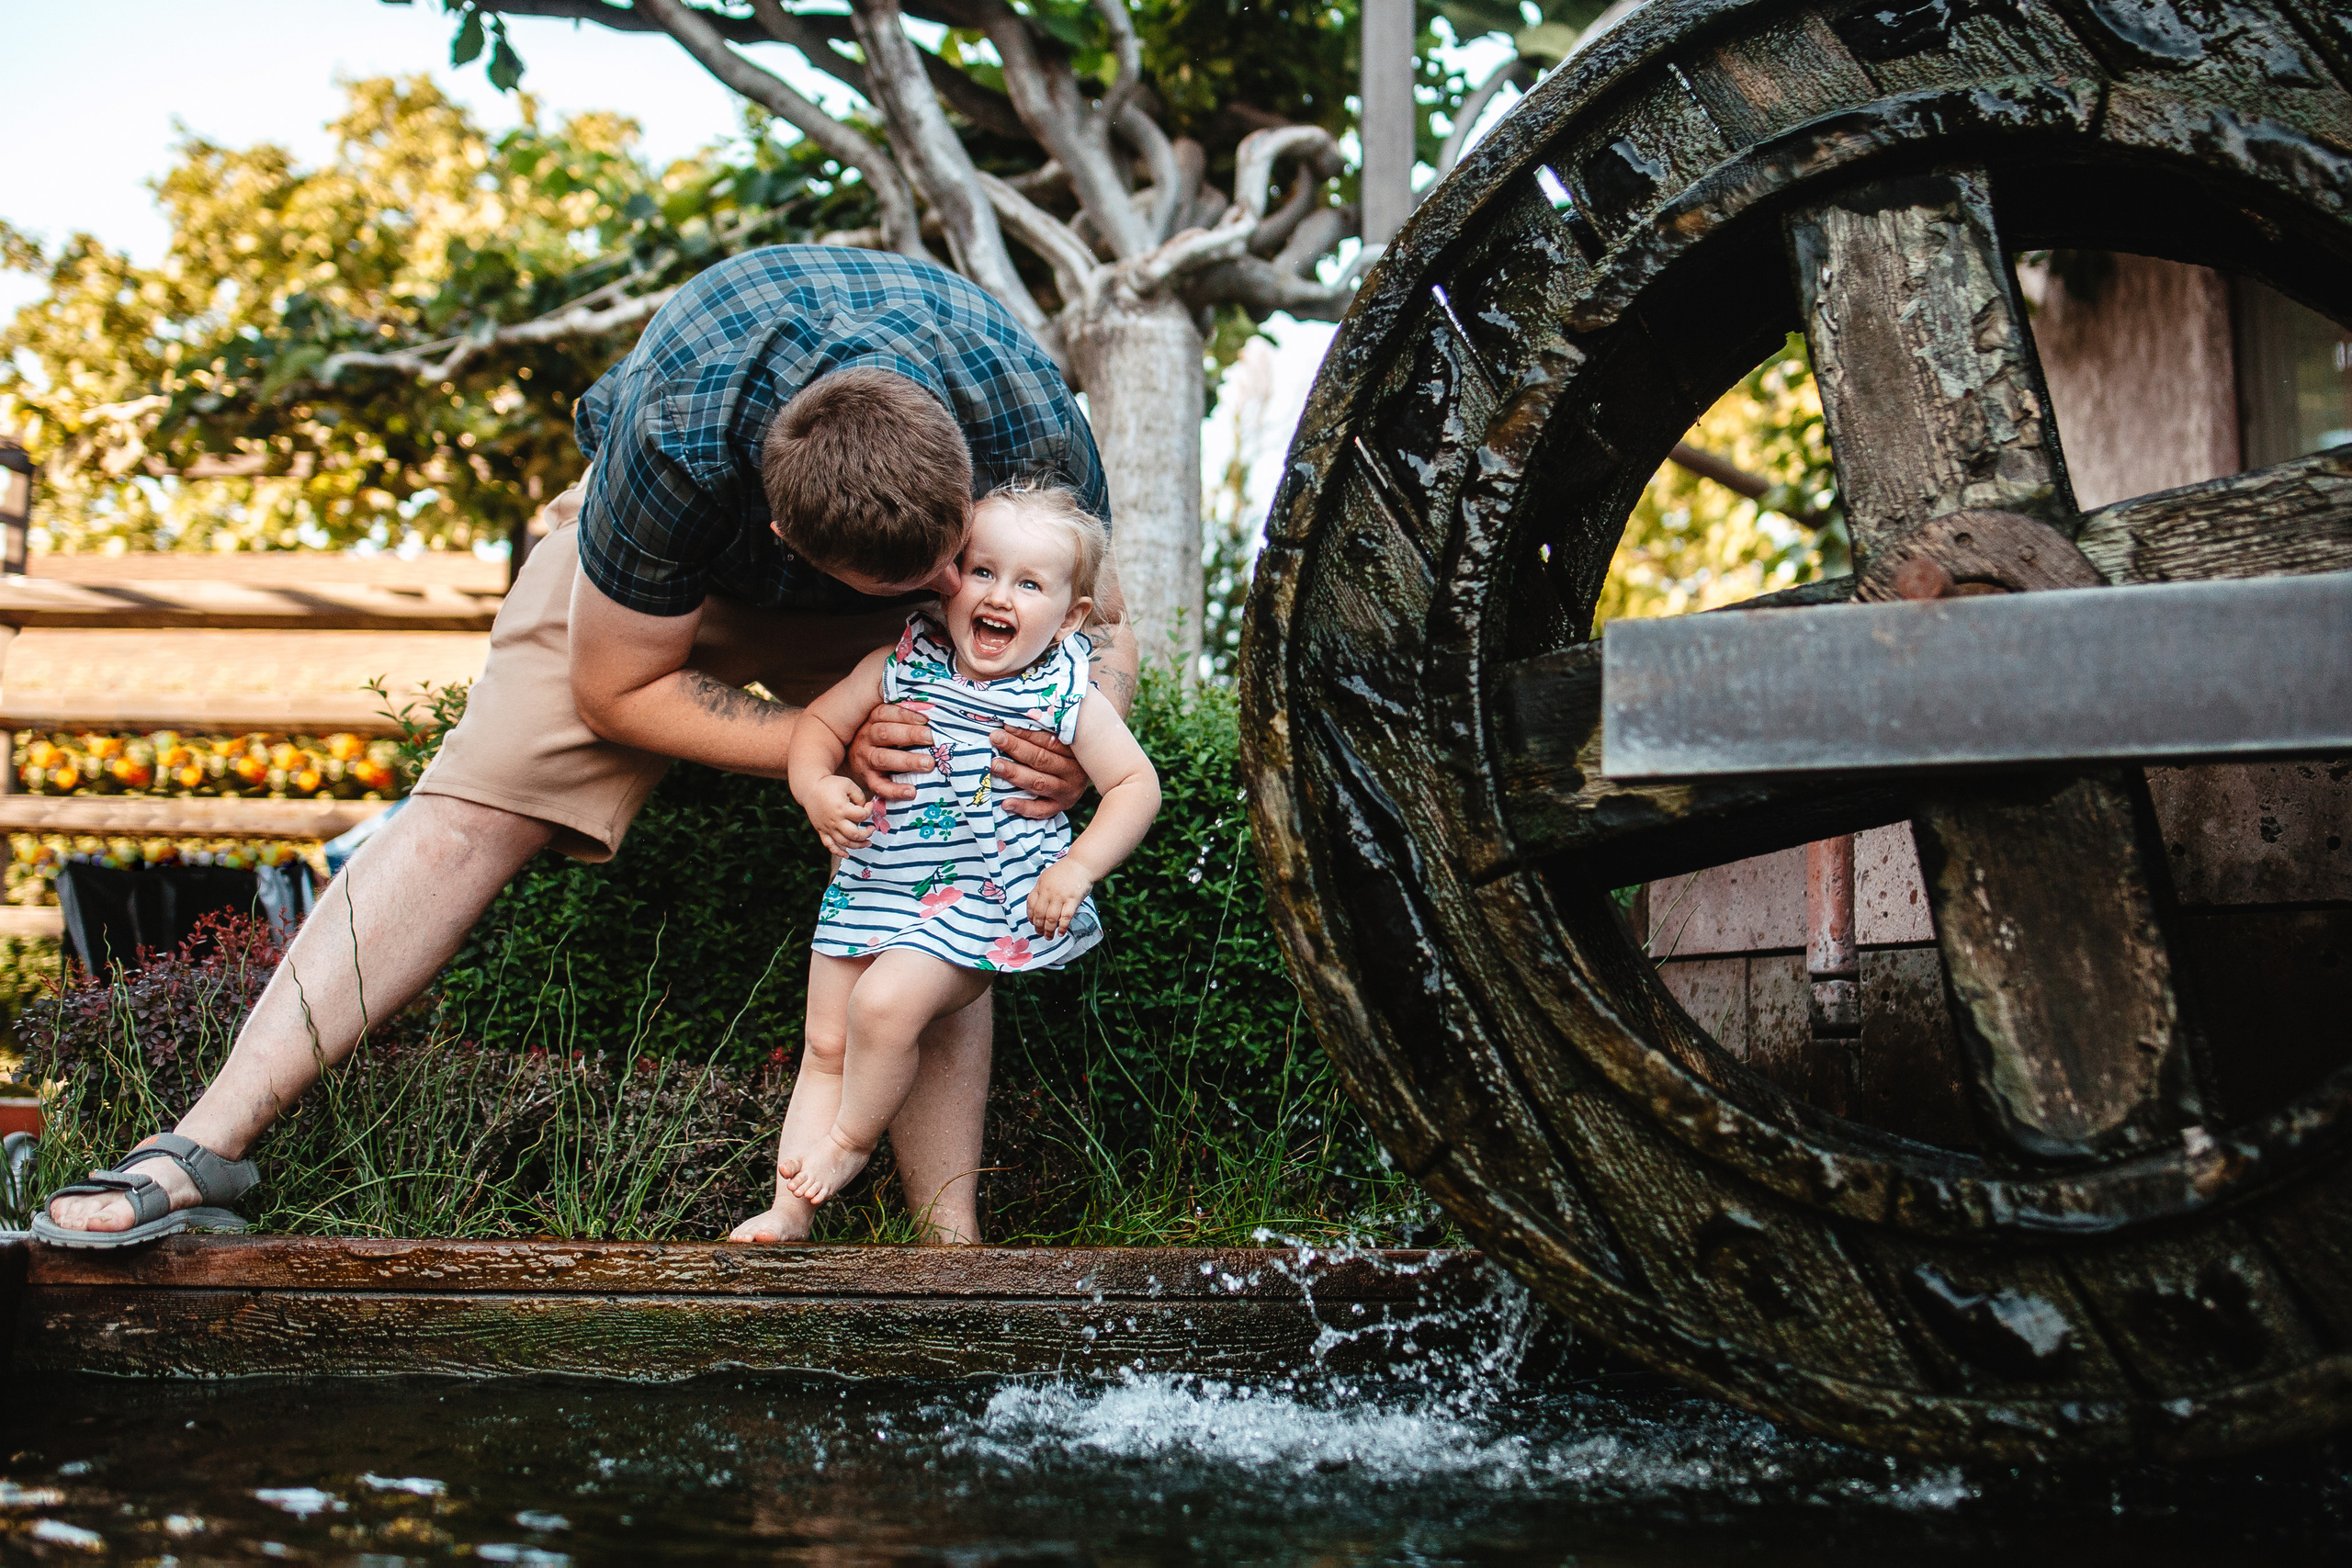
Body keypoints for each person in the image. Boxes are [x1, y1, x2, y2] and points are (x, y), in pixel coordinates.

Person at [33, 246, 1140, 1250]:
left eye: (954, 563)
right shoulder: (675, 441)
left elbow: (1102, 620)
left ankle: (952, 1245)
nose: (953, 595)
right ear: (781, 538)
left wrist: (1061, 758)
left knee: (942, 848)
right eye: (926, 584)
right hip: (660, 587)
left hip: (892, 544)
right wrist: (823, 743)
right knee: (473, 805)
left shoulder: (1019, 416)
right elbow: (616, 688)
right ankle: (202, 1147)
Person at [732, 482, 1159, 1238]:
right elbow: (818, 727)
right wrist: (817, 787)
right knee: (826, 1046)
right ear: (953, 580)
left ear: (1070, 617)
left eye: (1030, 584)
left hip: (981, 906)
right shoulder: (900, 659)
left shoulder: (1065, 694)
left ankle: (848, 1146)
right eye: (984, 570)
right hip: (870, 885)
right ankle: (789, 1212)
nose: (1000, 594)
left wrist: (1076, 867)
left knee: (884, 1006)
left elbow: (1134, 786)